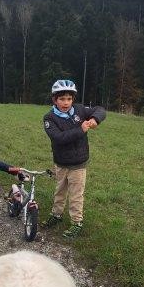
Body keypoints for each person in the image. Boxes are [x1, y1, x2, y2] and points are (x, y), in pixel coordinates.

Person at [42, 79, 106, 238]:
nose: (66, 103)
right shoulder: (49, 118)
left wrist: (94, 119)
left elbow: (100, 109)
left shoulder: (79, 110)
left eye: (69, 99)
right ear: (54, 100)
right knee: (60, 191)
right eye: (62, 99)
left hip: (78, 163)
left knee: (76, 194)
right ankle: (56, 215)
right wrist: (81, 130)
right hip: (61, 162)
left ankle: (77, 222)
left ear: (73, 99)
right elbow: (59, 138)